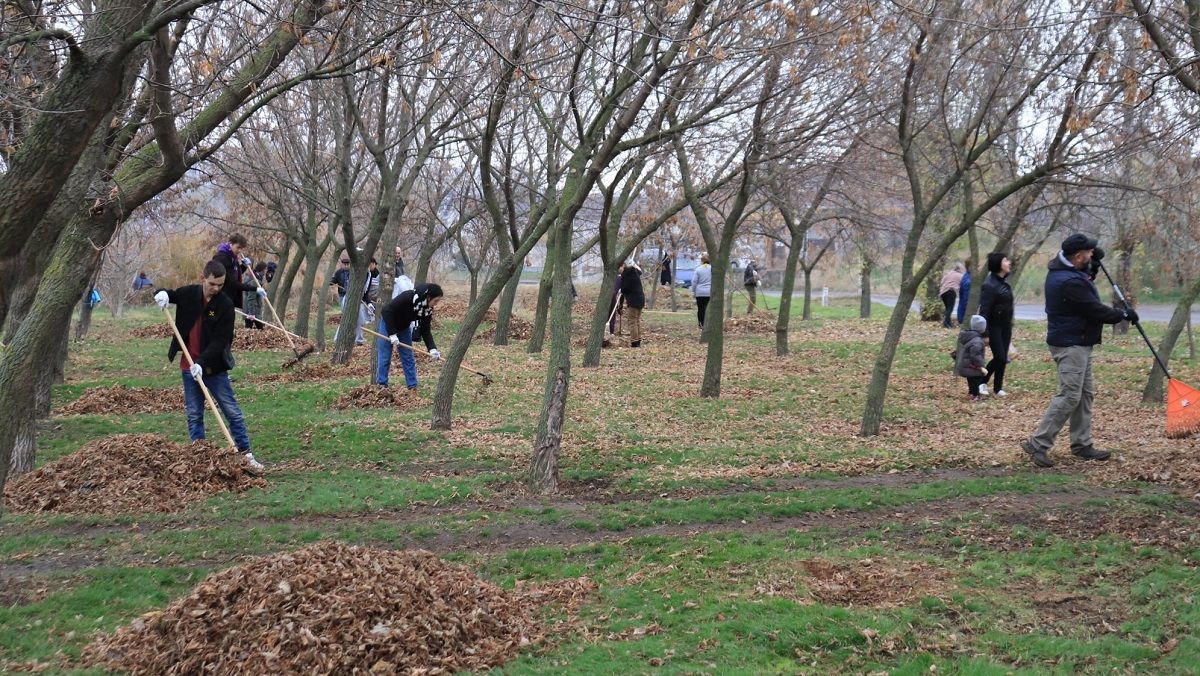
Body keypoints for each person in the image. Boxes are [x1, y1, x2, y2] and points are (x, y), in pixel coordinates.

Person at [1021, 234, 1135, 468]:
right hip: (1070, 343)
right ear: (1079, 256)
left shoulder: (1066, 271)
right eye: (1090, 253)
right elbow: (1093, 309)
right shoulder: (1069, 282)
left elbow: (1085, 282)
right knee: (1070, 395)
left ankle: (1082, 444)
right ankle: (1038, 443)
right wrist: (1122, 314)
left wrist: (1093, 269)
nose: (1093, 255)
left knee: (1085, 394)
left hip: (1079, 341)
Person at [154, 261, 262, 469]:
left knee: (232, 412)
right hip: (188, 366)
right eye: (212, 284)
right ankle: (200, 456)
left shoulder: (224, 305)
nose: (216, 288)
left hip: (214, 368)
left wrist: (202, 363)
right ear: (202, 278)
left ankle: (246, 455)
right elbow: (170, 294)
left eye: (220, 285)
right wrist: (162, 294)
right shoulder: (188, 294)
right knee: (194, 414)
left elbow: (221, 341)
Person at [376, 283, 443, 389]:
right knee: (385, 357)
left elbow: (425, 330)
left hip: (404, 328)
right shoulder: (407, 297)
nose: (436, 304)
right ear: (428, 297)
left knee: (408, 357)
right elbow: (387, 311)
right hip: (388, 324)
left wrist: (432, 349)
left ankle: (412, 386)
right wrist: (392, 334)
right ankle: (382, 384)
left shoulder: (427, 310)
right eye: (435, 301)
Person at [979, 252, 1015, 397]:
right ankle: (981, 382)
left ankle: (998, 388)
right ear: (998, 264)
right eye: (1005, 260)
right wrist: (985, 333)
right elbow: (984, 310)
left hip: (1006, 325)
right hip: (993, 326)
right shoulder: (989, 285)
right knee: (999, 357)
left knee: (1003, 357)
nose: (1009, 263)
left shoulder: (1004, 282)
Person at [211, 233, 265, 313]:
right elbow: (232, 282)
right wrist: (255, 289)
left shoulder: (232, 257)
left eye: (241, 248)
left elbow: (234, 274)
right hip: (218, 300)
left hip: (228, 300)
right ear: (231, 244)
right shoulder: (222, 258)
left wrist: (243, 266)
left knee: (227, 320)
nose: (239, 251)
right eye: (238, 247)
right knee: (212, 317)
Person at [956, 315, 990, 401]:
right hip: (972, 366)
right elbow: (975, 355)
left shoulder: (971, 337)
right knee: (976, 380)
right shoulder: (977, 341)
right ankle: (975, 395)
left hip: (966, 365)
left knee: (971, 380)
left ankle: (971, 394)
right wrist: (981, 365)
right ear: (983, 328)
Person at [620, 260, 645, 347]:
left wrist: (621, 289)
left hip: (634, 301)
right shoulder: (634, 272)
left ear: (623, 266)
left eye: (619, 268)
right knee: (637, 321)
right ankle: (638, 340)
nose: (619, 271)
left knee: (632, 321)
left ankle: (634, 341)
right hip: (640, 299)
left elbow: (625, 289)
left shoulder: (627, 275)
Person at [242, 262, 267, 330]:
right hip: (252, 310)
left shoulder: (256, 278)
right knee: (259, 329)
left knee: (249, 328)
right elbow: (251, 298)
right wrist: (251, 313)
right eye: (265, 269)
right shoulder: (254, 281)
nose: (266, 271)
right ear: (262, 270)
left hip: (252, 309)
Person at [938, 263, 964, 328]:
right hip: (951, 291)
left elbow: (941, 282)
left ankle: (948, 323)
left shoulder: (948, 273)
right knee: (950, 308)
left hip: (943, 292)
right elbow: (963, 285)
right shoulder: (960, 275)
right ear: (960, 269)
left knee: (947, 308)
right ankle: (946, 324)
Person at [693, 253, 712, 329]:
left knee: (700, 309)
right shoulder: (713, 269)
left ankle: (701, 324)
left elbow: (694, 281)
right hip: (709, 292)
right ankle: (708, 323)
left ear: (702, 261)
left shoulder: (698, 269)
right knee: (708, 309)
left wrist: (694, 291)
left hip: (700, 293)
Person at [956, 260, 972, 326]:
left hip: (963, 314)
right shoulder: (968, 281)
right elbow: (966, 300)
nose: (979, 268)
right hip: (964, 315)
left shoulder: (968, 277)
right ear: (970, 267)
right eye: (977, 266)